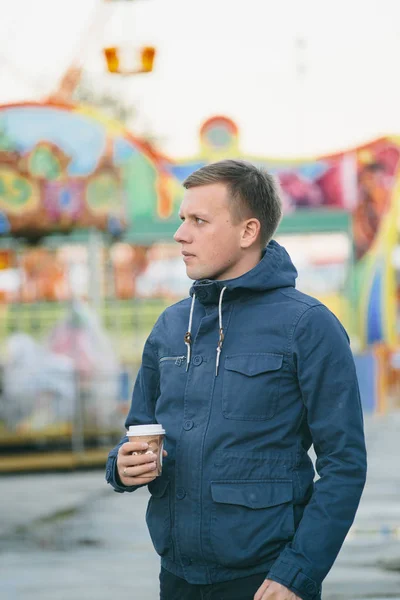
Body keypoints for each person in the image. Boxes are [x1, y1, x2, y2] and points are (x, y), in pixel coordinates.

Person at [106, 160, 367, 600]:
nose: (180, 234)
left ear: (248, 232)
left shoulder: (308, 326)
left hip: (266, 581)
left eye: (199, 221)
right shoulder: (171, 326)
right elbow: (138, 431)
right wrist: (122, 465)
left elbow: (344, 465)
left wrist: (298, 572)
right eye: (181, 219)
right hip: (177, 579)